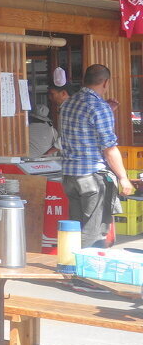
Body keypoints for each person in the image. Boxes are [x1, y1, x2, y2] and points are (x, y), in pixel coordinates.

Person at [58, 64, 135, 248]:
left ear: (85, 80)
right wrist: (123, 178)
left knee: (76, 227)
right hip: (91, 176)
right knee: (93, 231)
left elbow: (82, 128)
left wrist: (108, 110)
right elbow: (109, 148)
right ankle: (85, 266)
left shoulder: (68, 103)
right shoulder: (99, 107)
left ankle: (71, 263)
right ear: (106, 82)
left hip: (70, 176)